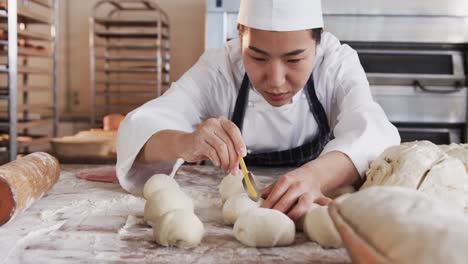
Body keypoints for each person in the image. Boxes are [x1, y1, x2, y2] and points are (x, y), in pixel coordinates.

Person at [116, 0, 400, 220]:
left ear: (318, 42)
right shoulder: (219, 68)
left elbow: (373, 132)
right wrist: (185, 143)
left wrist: (315, 177)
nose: (275, 81)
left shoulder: (336, 65)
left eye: (294, 59)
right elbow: (142, 126)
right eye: (257, 57)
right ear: (240, 37)